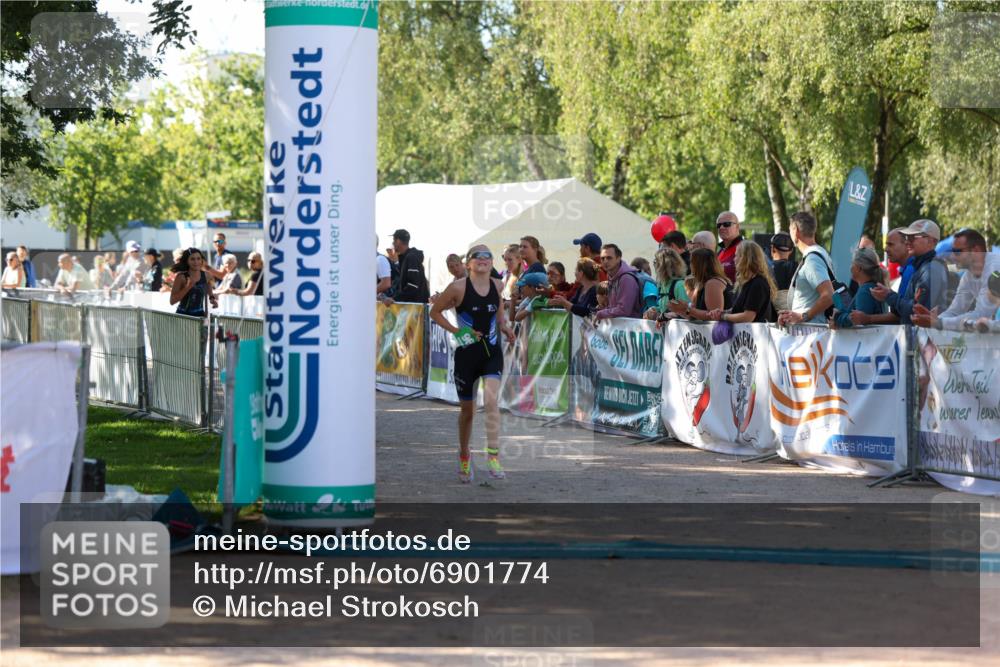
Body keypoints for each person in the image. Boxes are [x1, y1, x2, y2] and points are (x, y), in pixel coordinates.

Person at [428, 244, 515, 483]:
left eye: (488, 256)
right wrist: (457, 332)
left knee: (490, 401)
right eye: (478, 256)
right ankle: (465, 455)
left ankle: (493, 456)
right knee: (468, 411)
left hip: (491, 354)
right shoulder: (457, 287)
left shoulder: (498, 284)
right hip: (466, 356)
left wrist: (504, 326)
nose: (484, 260)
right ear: (469, 263)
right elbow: (434, 312)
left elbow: (498, 309)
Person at [912, 228, 1000, 330]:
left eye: (957, 252)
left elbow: (982, 315)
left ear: (976, 250)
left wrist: (937, 322)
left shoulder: (995, 268)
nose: (953, 256)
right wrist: (933, 319)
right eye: (952, 251)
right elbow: (955, 311)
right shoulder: (968, 276)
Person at [870, 219, 949, 324]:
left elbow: (917, 312)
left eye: (913, 237)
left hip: (924, 337)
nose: (907, 242)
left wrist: (889, 296)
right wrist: (889, 295)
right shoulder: (921, 267)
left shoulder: (931, 269)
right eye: (907, 237)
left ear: (931, 241)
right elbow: (904, 309)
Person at [778, 211, 835, 326]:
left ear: (796, 231)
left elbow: (829, 295)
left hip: (811, 334)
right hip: (811, 332)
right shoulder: (819, 253)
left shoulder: (812, 260)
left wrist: (802, 316)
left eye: (790, 229)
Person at [850, 228, 908, 326]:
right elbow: (900, 312)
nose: (885, 249)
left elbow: (902, 314)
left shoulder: (865, 289)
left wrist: (839, 318)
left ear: (907, 245)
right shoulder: (907, 271)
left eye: (890, 244)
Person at [708, 241, 776, 324]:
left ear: (745, 258)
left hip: (755, 335)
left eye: (736, 255)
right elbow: (738, 309)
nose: (734, 259)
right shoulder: (746, 282)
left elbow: (748, 316)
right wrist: (722, 312)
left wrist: (723, 317)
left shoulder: (758, 283)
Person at [667, 248, 733, 321]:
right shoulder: (701, 284)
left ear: (699, 264)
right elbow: (694, 316)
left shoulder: (713, 283)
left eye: (691, 262)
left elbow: (714, 316)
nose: (690, 265)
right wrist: (679, 310)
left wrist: (686, 308)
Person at [832, 247, 886, 328]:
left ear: (859, 268)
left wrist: (838, 317)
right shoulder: (874, 287)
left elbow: (858, 321)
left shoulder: (865, 291)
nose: (850, 267)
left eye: (852, 263)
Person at [595, 243, 643, 319]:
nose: (605, 261)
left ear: (618, 258)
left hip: (632, 328)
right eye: (602, 258)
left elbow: (624, 310)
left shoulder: (626, 278)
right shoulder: (612, 277)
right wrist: (603, 309)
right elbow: (614, 307)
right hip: (619, 328)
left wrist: (601, 313)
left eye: (609, 258)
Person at [385, 229, 429, 304]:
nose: (393, 243)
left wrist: (394, 299)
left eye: (394, 240)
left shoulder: (411, 258)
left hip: (416, 310)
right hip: (413, 308)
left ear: (398, 241)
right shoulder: (406, 258)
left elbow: (413, 286)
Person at [170, 248, 217, 316]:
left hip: (199, 315)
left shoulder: (207, 275)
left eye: (198, 258)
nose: (196, 262)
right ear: (187, 261)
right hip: (183, 317)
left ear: (201, 260)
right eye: (192, 259)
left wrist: (211, 297)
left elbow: (208, 284)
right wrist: (188, 287)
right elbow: (172, 301)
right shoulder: (181, 277)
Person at [644, 247, 688, 320]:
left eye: (655, 261)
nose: (654, 265)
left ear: (663, 265)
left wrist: (666, 315)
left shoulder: (679, 285)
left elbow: (687, 312)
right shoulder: (662, 285)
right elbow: (663, 308)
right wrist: (654, 310)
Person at [715, 211, 743, 282]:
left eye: (726, 224)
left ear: (737, 226)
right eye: (718, 225)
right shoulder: (720, 251)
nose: (721, 227)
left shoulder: (745, 249)